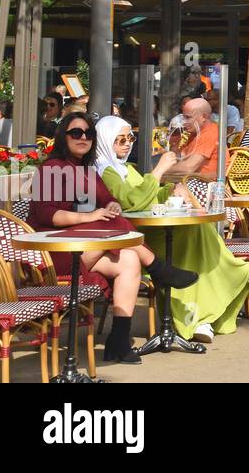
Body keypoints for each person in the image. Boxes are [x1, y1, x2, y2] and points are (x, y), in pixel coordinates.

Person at [30, 113, 197, 365]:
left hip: (86, 247)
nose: (83, 138)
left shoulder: (86, 170)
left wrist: (110, 206)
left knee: (129, 258)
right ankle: (158, 268)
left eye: (88, 133)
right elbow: (46, 213)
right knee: (113, 224)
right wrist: (90, 218)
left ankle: (118, 339)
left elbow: (110, 200)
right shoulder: (52, 168)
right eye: (76, 133)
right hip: (55, 251)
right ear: (63, 137)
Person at [94, 116, 249, 345]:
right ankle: (229, 277)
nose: (127, 143)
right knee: (192, 232)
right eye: (120, 139)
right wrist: (161, 169)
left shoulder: (124, 168)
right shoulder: (106, 171)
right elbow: (132, 201)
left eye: (130, 137)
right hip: (136, 236)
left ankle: (201, 317)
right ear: (105, 141)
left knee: (195, 227)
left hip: (146, 231)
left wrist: (171, 191)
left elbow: (148, 195)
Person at [177, 97, 221, 179]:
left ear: (203, 116)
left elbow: (188, 168)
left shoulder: (210, 133)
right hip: (192, 180)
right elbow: (181, 158)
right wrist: (174, 144)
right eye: (183, 117)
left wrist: (161, 168)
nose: (184, 121)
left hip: (207, 185)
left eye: (188, 117)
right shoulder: (194, 133)